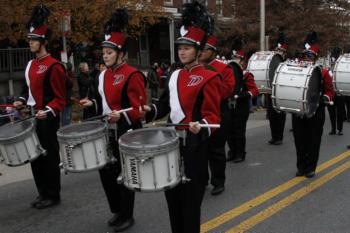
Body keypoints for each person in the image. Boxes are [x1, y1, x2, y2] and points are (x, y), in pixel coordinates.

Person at [143, 2, 221, 232]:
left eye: (186, 48)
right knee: (172, 197)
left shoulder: (209, 77)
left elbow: (213, 116)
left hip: (194, 147)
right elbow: (165, 106)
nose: (182, 52)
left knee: (190, 201)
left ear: (197, 50)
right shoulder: (174, 75)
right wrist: (150, 111)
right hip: (170, 143)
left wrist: (202, 126)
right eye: (180, 48)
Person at [79, 9, 147, 232]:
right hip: (108, 130)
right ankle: (117, 210)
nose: (105, 56)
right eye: (104, 53)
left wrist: (124, 114)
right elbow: (102, 103)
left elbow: (139, 109)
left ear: (120, 53)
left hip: (126, 129)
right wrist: (93, 105)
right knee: (106, 171)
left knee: (124, 173)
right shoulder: (102, 75)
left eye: (109, 52)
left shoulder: (132, 74)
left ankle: (127, 215)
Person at [13, 4, 66, 209]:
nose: (30, 43)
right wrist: (21, 100)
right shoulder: (30, 65)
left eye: (33, 40)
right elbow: (26, 90)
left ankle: (53, 194)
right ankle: (42, 192)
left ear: (43, 42)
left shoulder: (54, 65)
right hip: (33, 117)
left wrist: (49, 110)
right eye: (29, 40)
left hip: (48, 117)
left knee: (49, 156)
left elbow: (60, 98)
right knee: (34, 156)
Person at [293, 31, 334, 178]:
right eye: (305, 56)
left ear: (315, 58)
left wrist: (324, 98)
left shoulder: (323, 73)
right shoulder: (297, 71)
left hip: (316, 112)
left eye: (310, 56)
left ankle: (311, 167)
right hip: (299, 112)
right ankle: (301, 166)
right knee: (299, 140)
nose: (307, 59)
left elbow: (330, 91)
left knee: (313, 141)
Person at [199, 32, 235, 196]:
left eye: (205, 49)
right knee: (200, 149)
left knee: (216, 150)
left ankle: (218, 181)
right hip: (199, 113)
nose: (201, 52)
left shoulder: (224, 68)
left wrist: (208, 86)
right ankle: (203, 179)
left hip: (219, 111)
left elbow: (228, 90)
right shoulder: (194, 67)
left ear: (212, 50)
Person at [227, 39, 259, 163]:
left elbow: (255, 91)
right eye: (233, 58)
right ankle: (232, 152)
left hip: (241, 106)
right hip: (229, 105)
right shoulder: (227, 72)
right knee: (229, 130)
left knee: (239, 131)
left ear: (242, 61)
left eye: (237, 58)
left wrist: (243, 95)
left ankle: (240, 153)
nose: (234, 60)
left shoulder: (246, 75)